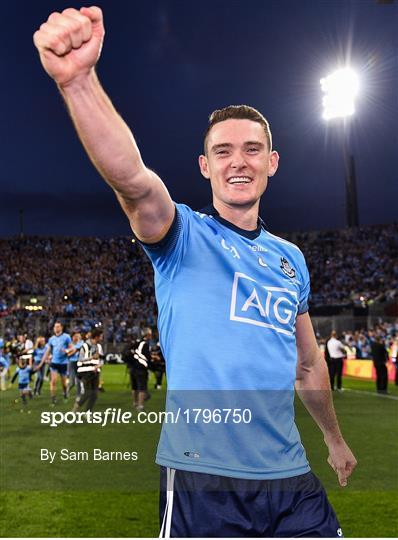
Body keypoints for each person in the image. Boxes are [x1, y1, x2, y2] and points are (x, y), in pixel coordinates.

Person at [34, 8, 357, 537]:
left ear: (272, 162)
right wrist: (78, 81)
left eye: (252, 149)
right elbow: (133, 180)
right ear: (205, 166)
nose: (239, 162)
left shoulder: (291, 258)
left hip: (291, 478)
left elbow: (308, 366)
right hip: (203, 480)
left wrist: (334, 439)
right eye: (222, 151)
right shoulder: (182, 235)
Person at [38, 321, 72, 405]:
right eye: (55, 327)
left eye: (57, 327)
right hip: (54, 362)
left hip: (63, 363)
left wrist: (66, 351)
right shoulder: (51, 339)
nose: (56, 328)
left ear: (61, 328)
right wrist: (41, 363)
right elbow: (47, 352)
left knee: (63, 383)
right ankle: (53, 398)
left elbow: (72, 348)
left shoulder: (66, 337)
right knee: (53, 381)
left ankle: (65, 393)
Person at [73, 327, 104, 412]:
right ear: (96, 337)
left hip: (95, 372)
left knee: (95, 394)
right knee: (88, 392)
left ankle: (87, 412)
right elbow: (80, 359)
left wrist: (99, 365)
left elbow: (101, 359)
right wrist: (91, 357)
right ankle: (75, 409)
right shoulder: (85, 346)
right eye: (101, 336)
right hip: (85, 372)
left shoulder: (99, 347)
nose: (102, 338)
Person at [123, 328, 152, 410]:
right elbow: (147, 357)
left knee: (134, 387)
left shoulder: (136, 342)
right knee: (142, 388)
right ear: (148, 335)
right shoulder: (145, 344)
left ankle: (135, 403)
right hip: (141, 369)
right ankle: (140, 406)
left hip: (132, 368)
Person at [66, 331, 83, 396]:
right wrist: (72, 352)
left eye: (78, 336)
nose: (76, 338)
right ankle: (66, 391)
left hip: (79, 362)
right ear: (72, 337)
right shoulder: (69, 344)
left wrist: (71, 352)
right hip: (71, 363)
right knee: (72, 381)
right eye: (75, 336)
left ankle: (78, 394)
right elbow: (67, 354)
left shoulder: (80, 343)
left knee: (78, 379)